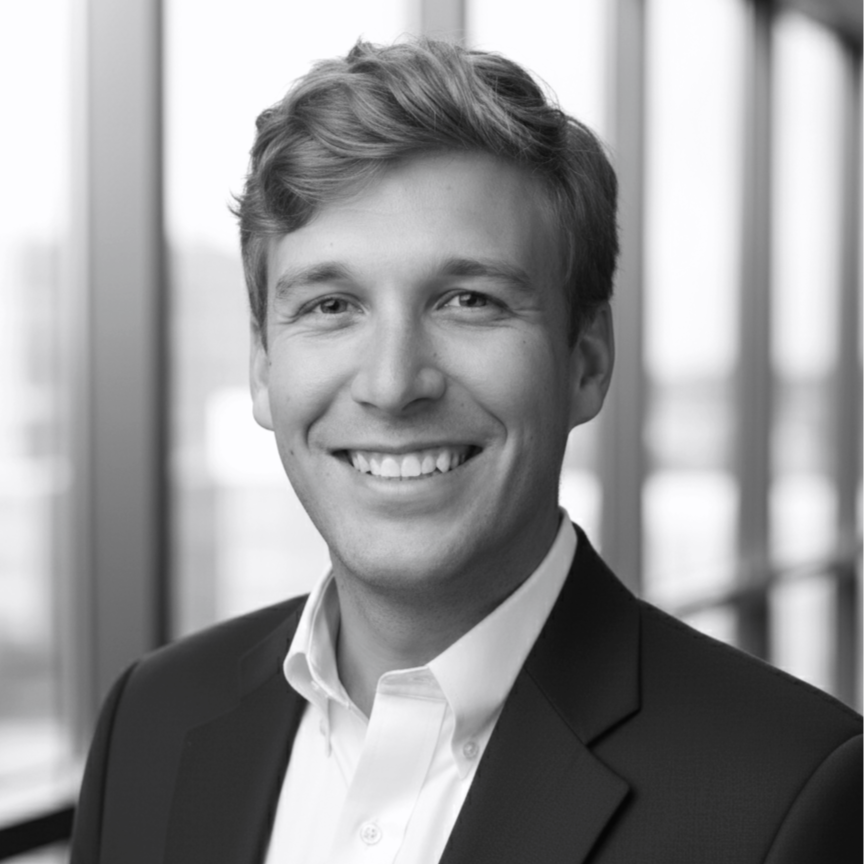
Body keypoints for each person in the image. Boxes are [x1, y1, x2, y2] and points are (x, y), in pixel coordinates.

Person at [71, 38, 864, 864]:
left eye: (467, 301)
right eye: (332, 306)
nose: (391, 384)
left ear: (587, 360)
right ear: (264, 366)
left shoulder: (789, 799)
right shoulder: (150, 722)